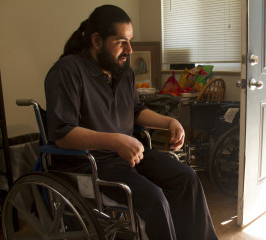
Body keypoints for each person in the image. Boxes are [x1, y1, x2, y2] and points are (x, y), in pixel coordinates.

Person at [44, 4, 218, 240]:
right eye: (121, 42)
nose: (130, 49)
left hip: (129, 156)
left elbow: (136, 111)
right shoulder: (67, 72)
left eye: (130, 40)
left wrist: (168, 122)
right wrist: (116, 141)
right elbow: (63, 134)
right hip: (89, 163)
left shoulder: (122, 71)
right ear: (96, 40)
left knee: (187, 178)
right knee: (154, 198)